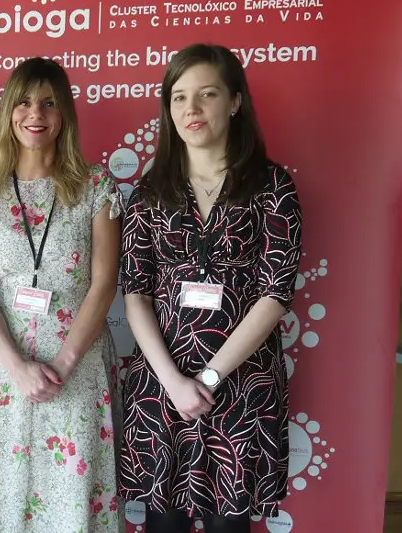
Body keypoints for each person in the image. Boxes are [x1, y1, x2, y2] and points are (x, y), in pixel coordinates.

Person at [117, 43, 304, 533]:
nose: (191, 109)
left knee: (228, 525)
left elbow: (275, 294)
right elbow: (135, 293)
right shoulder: (149, 192)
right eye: (179, 97)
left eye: (207, 94)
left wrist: (210, 378)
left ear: (235, 101)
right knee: (163, 523)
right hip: (162, 385)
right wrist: (175, 383)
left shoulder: (272, 187)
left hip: (241, 385)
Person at [0, 57, 125, 532]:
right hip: (2, 372)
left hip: (77, 369)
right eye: (24, 102)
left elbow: (104, 283)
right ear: (8, 111)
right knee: (2, 498)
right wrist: (17, 367)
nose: (36, 113)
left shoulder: (96, 187)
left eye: (49, 103)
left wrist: (63, 364)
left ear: (64, 113)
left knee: (70, 498)